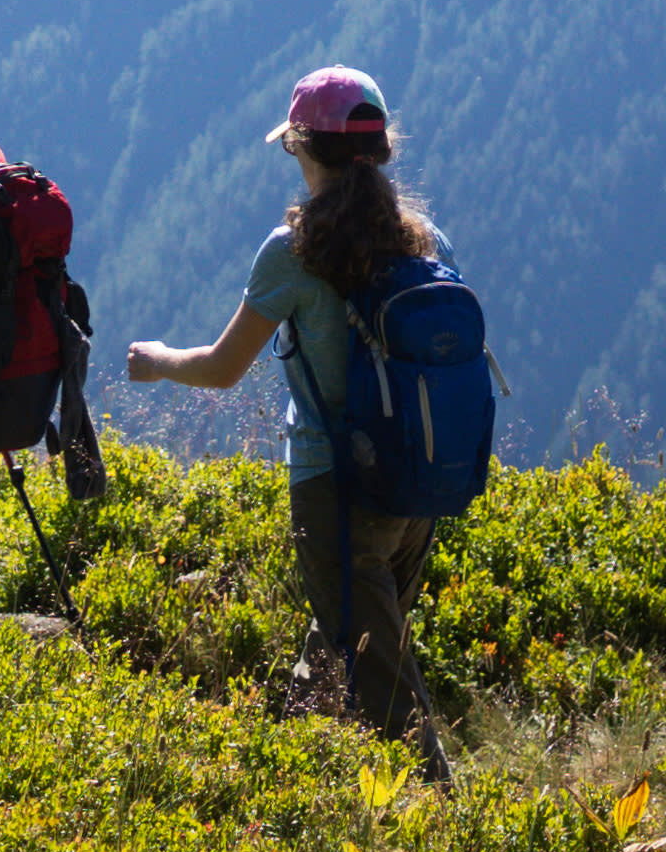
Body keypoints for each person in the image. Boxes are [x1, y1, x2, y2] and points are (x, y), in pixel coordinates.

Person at [124, 65, 448, 751]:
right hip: (419, 482)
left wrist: (157, 361)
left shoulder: (296, 250)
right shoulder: (425, 241)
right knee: (346, 636)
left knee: (377, 671)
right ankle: (288, 764)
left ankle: (441, 819)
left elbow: (221, 367)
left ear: (302, 146)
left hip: (336, 484)